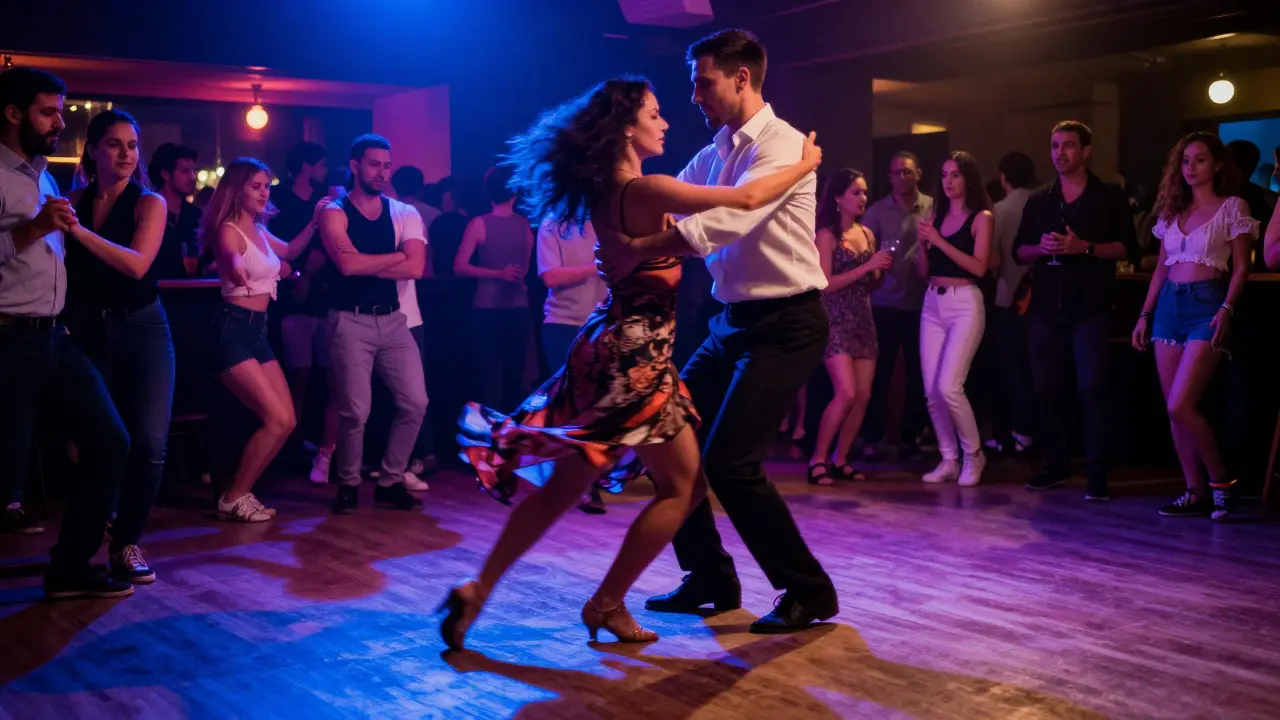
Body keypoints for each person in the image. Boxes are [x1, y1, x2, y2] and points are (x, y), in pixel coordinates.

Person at [438, 74, 821, 650]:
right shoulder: (644, 191)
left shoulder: (613, 190)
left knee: (566, 489)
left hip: (610, 346)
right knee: (684, 488)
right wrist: (805, 163)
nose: (666, 121)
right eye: (655, 113)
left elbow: (710, 205)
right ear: (626, 127)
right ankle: (607, 602)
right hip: (636, 357)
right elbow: (744, 200)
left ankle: (479, 588)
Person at [597, 29, 839, 634]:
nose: (694, 96)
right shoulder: (718, 148)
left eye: (703, 83)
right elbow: (676, 201)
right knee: (668, 444)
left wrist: (637, 249)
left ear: (741, 78)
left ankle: (808, 591)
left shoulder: (780, 144)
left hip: (787, 322)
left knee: (731, 462)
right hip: (731, 323)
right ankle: (709, 577)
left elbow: (726, 220)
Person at [0, 66, 133, 597]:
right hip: (7, 339)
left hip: (53, 338)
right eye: (48, 111)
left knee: (110, 442)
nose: (60, 122)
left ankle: (70, 567)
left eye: (60, 111)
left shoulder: (43, 175)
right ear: (13, 114)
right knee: (5, 473)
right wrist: (35, 228)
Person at [62, 109, 171, 583]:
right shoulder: (74, 200)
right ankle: (89, 543)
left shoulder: (149, 203)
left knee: (148, 442)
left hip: (144, 329)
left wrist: (78, 232)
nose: (126, 154)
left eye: (132, 145)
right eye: (114, 144)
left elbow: (136, 266)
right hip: (88, 329)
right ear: (93, 149)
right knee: (97, 443)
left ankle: (127, 541)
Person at [1131, 132, 1257, 520]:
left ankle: (1222, 484)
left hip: (1207, 305)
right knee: (1173, 411)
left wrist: (1226, 308)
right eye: (1185, 160)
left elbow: (1242, 267)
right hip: (1169, 306)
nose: (1190, 167)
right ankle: (1195, 490)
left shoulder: (1232, 206)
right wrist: (1145, 314)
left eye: (1200, 159)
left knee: (1181, 403)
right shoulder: (1173, 211)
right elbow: (1161, 271)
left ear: (1217, 165)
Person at [1014, 121, 1139, 501]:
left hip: (1091, 307)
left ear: (1085, 151)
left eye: (1068, 145)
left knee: (1092, 387)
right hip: (1046, 308)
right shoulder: (1040, 199)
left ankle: (1097, 473)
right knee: (1048, 389)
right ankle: (1055, 466)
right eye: (1055, 146)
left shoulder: (1109, 196)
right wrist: (1043, 248)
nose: (1060, 152)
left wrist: (1084, 247)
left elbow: (1128, 249)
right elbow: (1019, 251)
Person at [317, 134, 428, 515]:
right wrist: (392, 256)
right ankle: (347, 483)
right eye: (374, 164)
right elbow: (346, 266)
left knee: (416, 401)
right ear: (355, 166)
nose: (381, 171)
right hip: (350, 321)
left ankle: (390, 480)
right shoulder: (334, 210)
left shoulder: (399, 211)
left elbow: (415, 267)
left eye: (386, 165)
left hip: (394, 319)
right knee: (355, 411)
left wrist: (368, 259)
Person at [203, 157, 313, 522]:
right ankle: (234, 495)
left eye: (267, 186)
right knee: (275, 418)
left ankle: (238, 494)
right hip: (232, 330)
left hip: (257, 331)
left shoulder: (260, 231)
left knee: (287, 420)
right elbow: (233, 261)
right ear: (237, 189)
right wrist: (236, 270)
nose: (264, 192)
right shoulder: (229, 229)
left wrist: (316, 221)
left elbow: (289, 254)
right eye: (256, 186)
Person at [807, 168, 891, 485]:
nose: (863, 198)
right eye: (856, 192)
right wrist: (867, 266)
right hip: (835, 320)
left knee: (864, 394)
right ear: (839, 197)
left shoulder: (867, 234)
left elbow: (873, 283)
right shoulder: (826, 236)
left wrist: (879, 269)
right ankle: (818, 459)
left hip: (863, 319)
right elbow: (824, 284)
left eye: (865, 192)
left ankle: (840, 459)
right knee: (846, 392)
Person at [915, 152, 993, 486]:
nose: (948, 181)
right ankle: (949, 457)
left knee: (950, 386)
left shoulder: (982, 217)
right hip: (932, 302)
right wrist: (922, 245)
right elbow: (924, 271)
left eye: (956, 175)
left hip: (965, 303)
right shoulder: (936, 213)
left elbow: (979, 267)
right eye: (944, 175)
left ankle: (974, 455)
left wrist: (939, 241)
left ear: (968, 179)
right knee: (932, 390)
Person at [860, 151, 933, 461]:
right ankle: (872, 436)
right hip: (885, 302)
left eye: (907, 172)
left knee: (920, 373)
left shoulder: (932, 207)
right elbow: (863, 254)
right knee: (881, 372)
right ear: (889, 177)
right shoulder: (876, 212)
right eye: (896, 173)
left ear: (919, 174)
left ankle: (912, 436)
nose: (901, 177)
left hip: (924, 303)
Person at [535, 215, 610, 513]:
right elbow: (551, 277)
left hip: (602, 323)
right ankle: (581, 484)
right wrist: (597, 265)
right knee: (574, 405)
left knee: (598, 403)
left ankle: (589, 476)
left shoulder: (607, 218)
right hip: (562, 324)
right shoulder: (552, 224)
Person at [453, 166, 534, 413]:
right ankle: (505, 435)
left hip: (497, 307)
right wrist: (498, 274)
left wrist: (494, 274)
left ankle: (492, 436)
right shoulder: (522, 225)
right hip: (505, 307)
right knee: (510, 375)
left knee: (493, 376)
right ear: (515, 193)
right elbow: (460, 267)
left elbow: (459, 266)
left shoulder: (481, 224)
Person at [985, 151, 1036, 456]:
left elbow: (993, 260)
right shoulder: (1045, 202)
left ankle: (1018, 433)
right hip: (1043, 298)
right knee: (1038, 369)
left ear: (1003, 178)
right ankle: (1035, 432)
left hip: (1009, 297)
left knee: (1012, 368)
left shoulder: (1000, 210)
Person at [147, 142, 200, 279]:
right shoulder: (146, 212)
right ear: (165, 174)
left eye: (194, 171)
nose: (193, 177)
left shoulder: (196, 216)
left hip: (191, 292)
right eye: (184, 171)